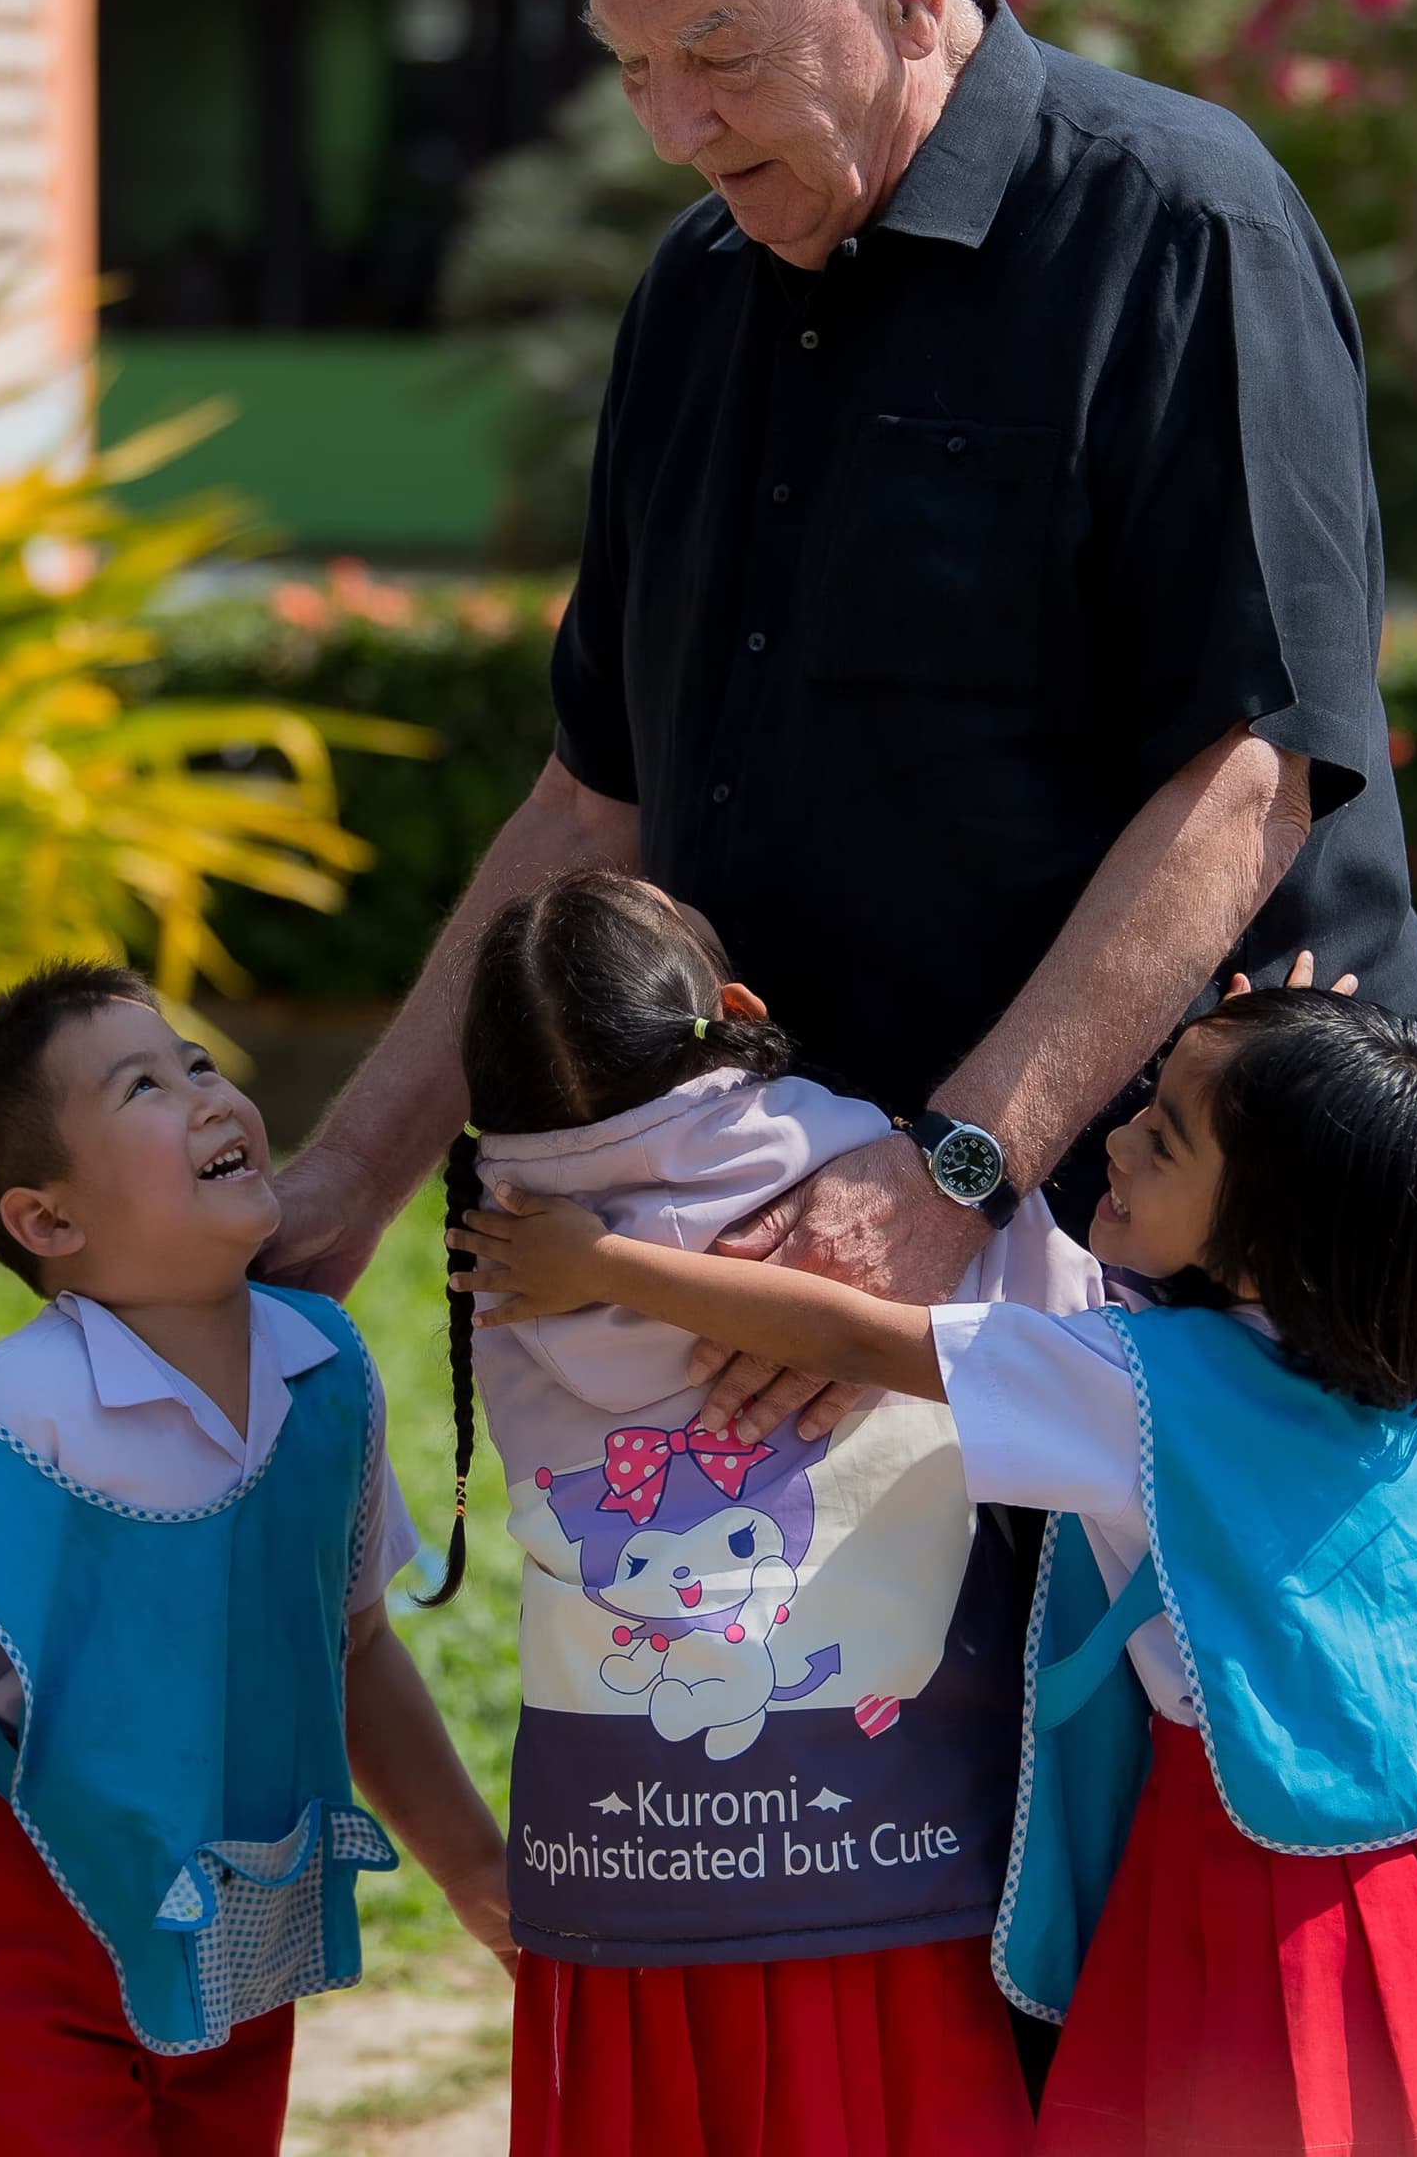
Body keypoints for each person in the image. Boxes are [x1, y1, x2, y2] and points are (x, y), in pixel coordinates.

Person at [265, 0, 1417, 1476]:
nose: (676, 122)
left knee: (1187, 1766)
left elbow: (1250, 777)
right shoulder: (691, 293)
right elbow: (598, 796)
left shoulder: (1180, 228)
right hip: (811, 1263)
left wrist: (952, 1171)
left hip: (1192, 1292)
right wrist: (350, 1176)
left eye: (719, 51)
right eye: (629, 63)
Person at [454, 984, 1417, 2156]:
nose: (1115, 1134)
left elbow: (858, 1333)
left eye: (1163, 1136)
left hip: (1262, 1882)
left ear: (1267, 1241)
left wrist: (605, 1264)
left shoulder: (1130, 1388)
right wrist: (1319, 1059)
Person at [0, 964, 513, 2157]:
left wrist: (474, 1872)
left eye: (196, 1060)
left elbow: (352, 1647)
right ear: (48, 1221)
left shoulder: (324, 1372)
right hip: (0, 1923)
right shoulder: (3, 1424)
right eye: (144, 1084)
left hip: (229, 1904)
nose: (205, 1093)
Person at [431, 872, 1063, 2155]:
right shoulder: (888, 1195)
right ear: (735, 1008)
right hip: (900, 1848)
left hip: (620, 1868)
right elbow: (1083, 1347)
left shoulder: (496, 1242)